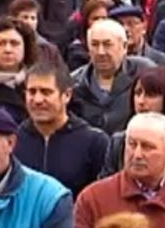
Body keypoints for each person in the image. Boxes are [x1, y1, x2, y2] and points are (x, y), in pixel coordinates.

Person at [15, 60, 108, 198]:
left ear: (67, 95)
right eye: (32, 92)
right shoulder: (12, 141)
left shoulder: (94, 142)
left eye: (46, 92)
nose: (38, 99)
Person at [100, 65, 165, 178]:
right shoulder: (118, 141)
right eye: (138, 93)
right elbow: (106, 185)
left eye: (151, 95)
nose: (141, 101)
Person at [70, 18, 156, 135]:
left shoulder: (144, 71)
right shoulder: (74, 82)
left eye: (107, 44)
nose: (101, 52)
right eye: (95, 45)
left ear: (124, 46)